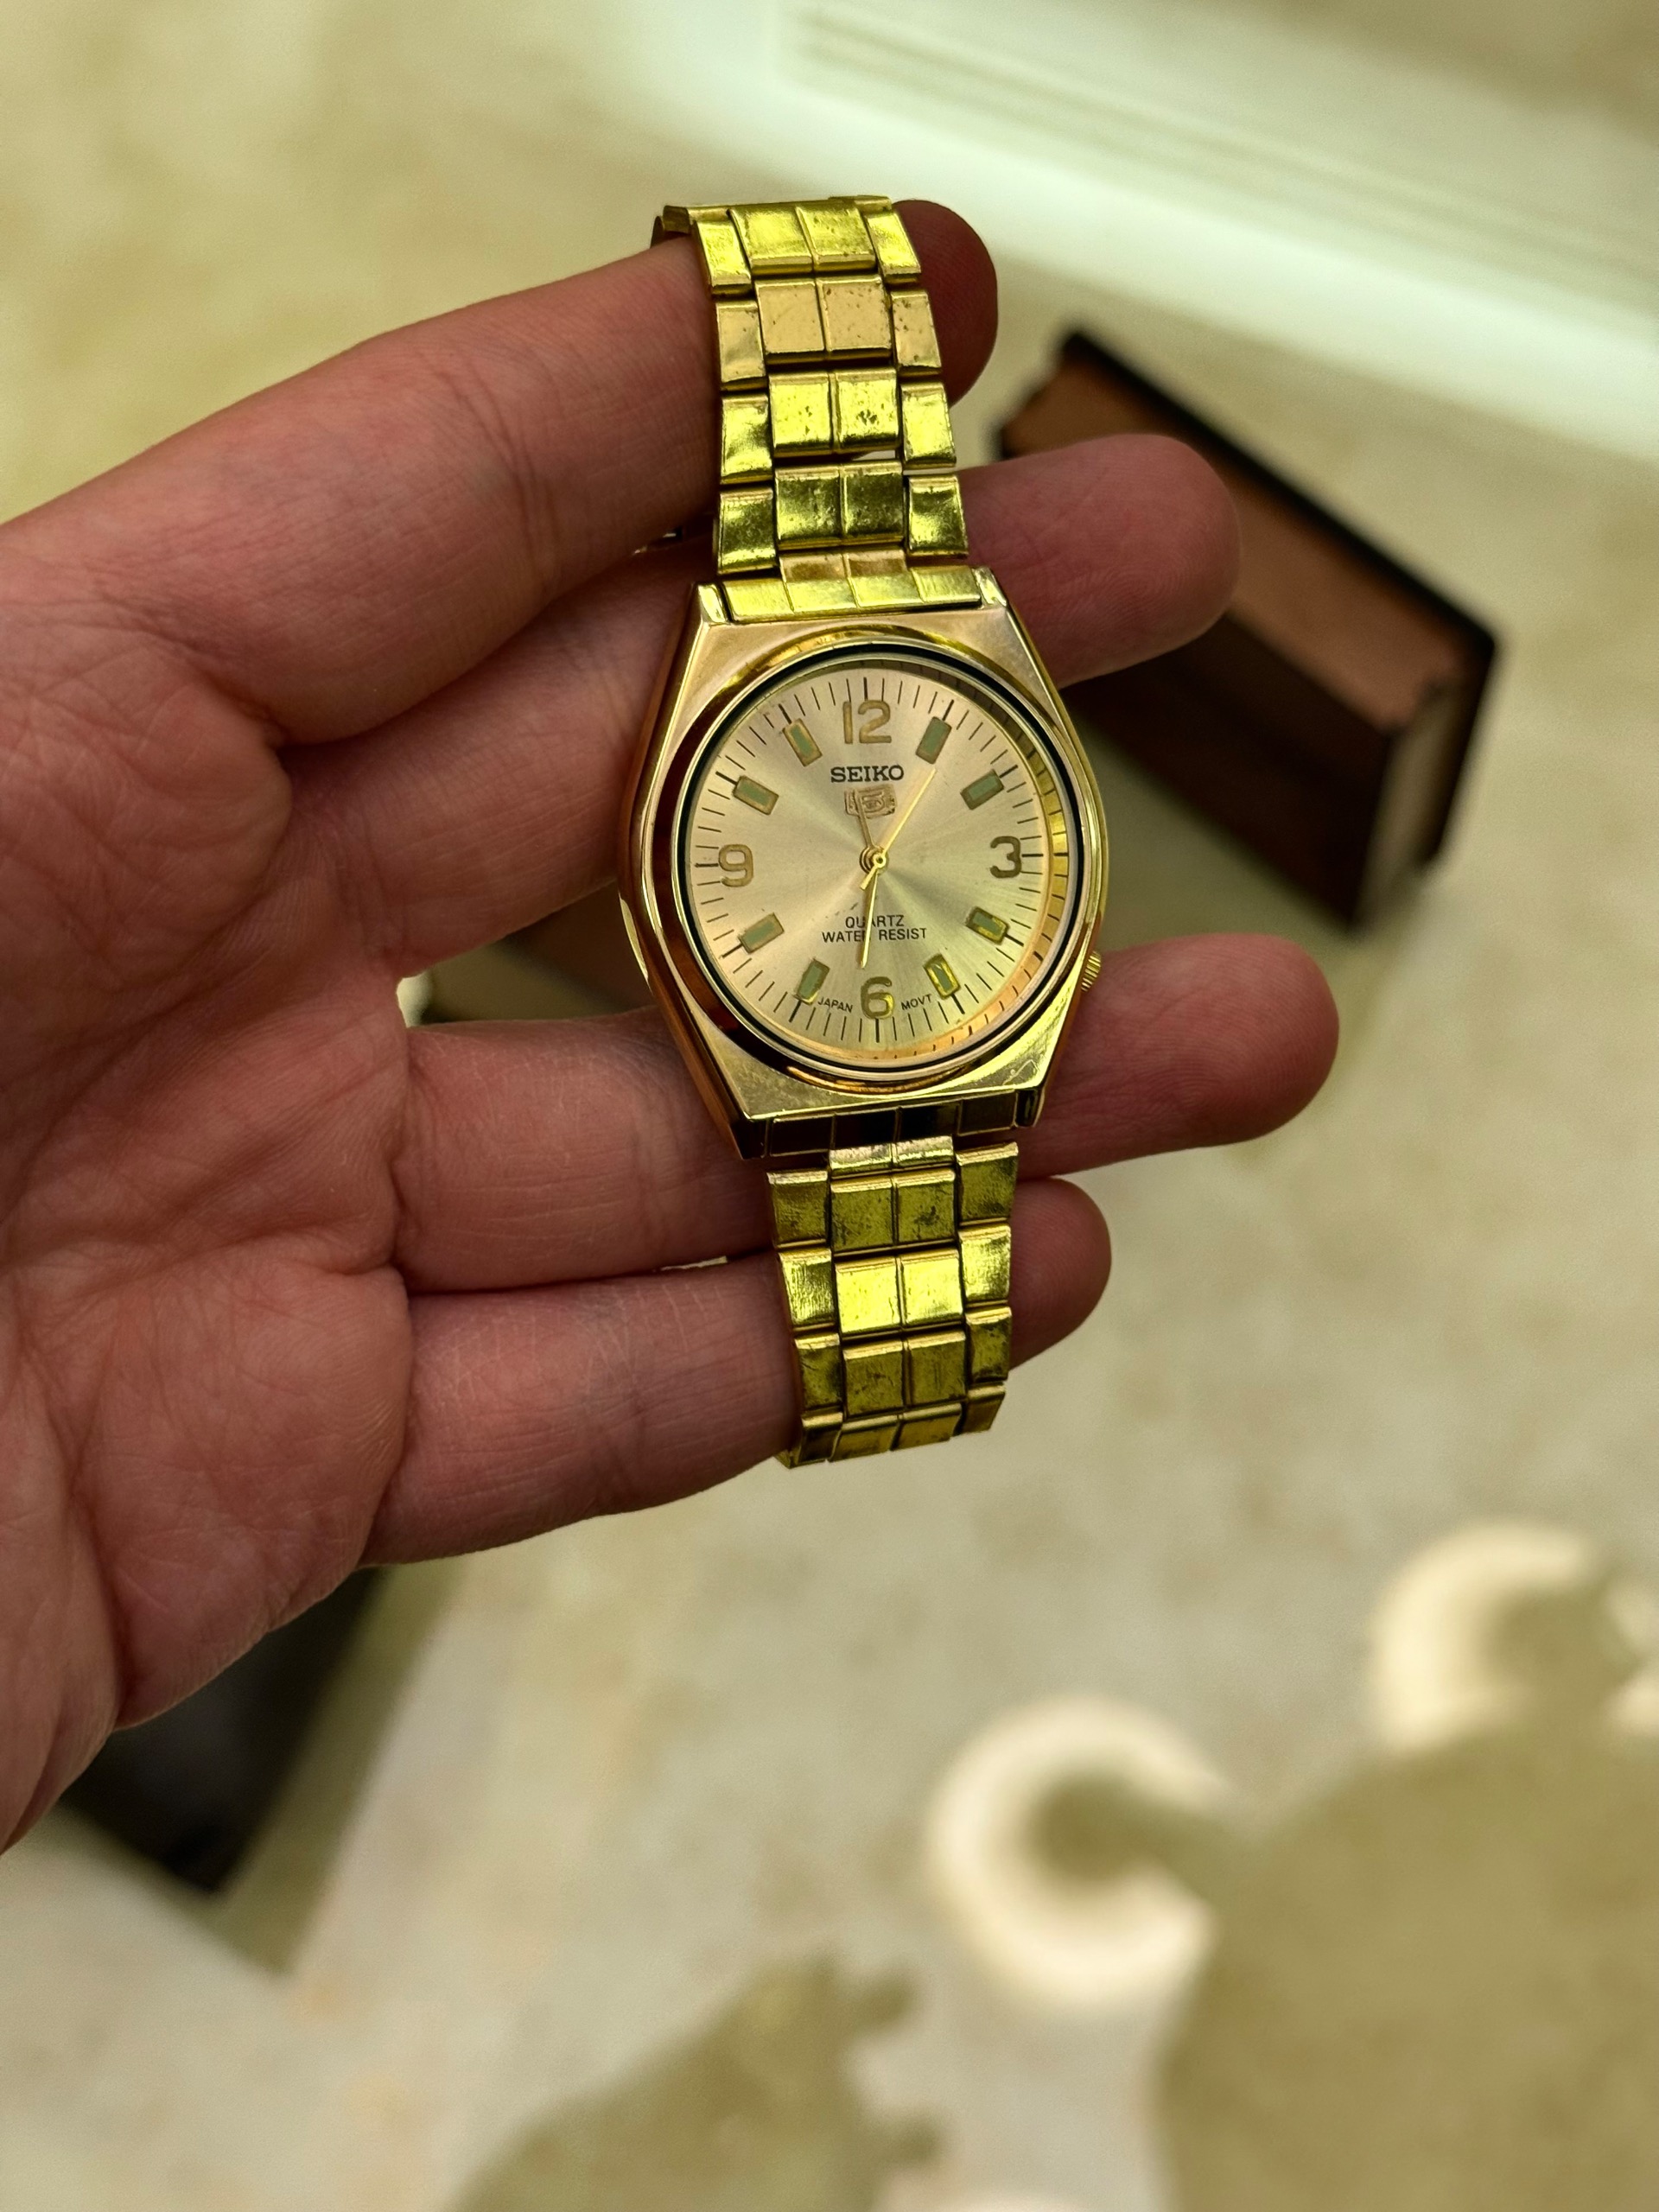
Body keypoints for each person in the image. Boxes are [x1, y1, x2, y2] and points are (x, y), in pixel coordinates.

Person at [0, 202, 1336, 1847]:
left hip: (949, 1006)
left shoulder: (899, 721)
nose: (869, 858)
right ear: (654, 879)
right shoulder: (717, 773)